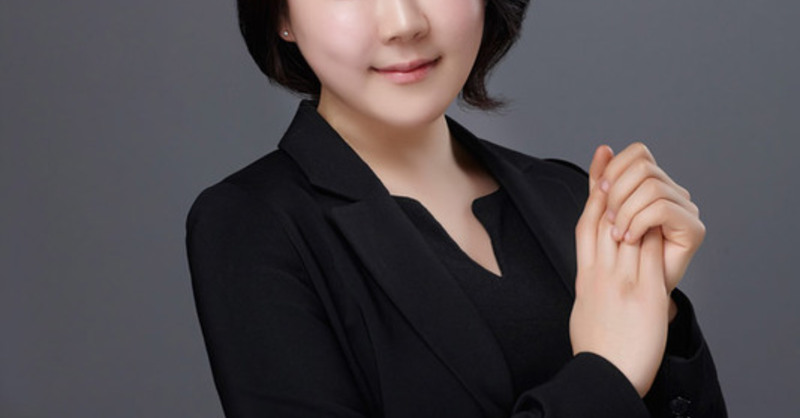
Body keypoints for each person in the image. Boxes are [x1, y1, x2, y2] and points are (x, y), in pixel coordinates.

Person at [185, 0, 727, 417]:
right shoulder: (251, 225)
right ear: (281, 15)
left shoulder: (571, 198)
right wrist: (607, 374)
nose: (404, 23)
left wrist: (660, 315)